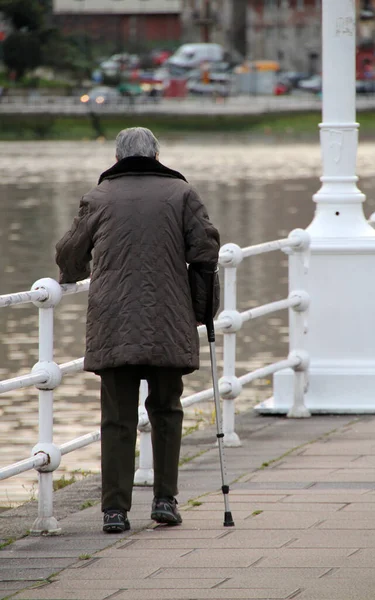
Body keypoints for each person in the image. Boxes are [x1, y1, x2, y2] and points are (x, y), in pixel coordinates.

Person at [55, 127, 220, 533]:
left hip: (113, 320)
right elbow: (205, 252)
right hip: (168, 318)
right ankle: (165, 500)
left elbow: (70, 252)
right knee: (166, 411)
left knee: (117, 418)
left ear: (116, 156)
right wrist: (201, 312)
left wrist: (72, 274)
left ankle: (115, 510)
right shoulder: (182, 195)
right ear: (157, 154)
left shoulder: (99, 197)